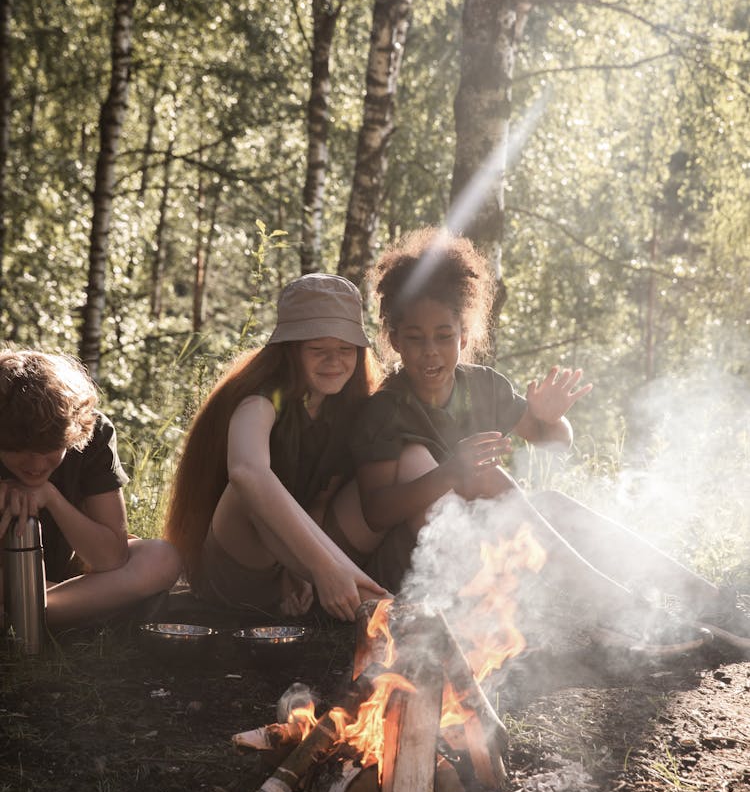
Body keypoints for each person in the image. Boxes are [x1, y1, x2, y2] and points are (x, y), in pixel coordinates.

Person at [351, 227, 750, 658]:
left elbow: (553, 442)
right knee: (488, 480)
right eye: (415, 338)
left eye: (443, 336)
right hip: (423, 565)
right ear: (394, 340)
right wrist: (450, 471)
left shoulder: (482, 385)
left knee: (554, 503)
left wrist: (550, 419)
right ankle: (621, 612)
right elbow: (376, 512)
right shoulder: (385, 409)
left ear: (463, 336)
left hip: (491, 546)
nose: (431, 351)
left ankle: (710, 601)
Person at [164, 274, 388, 622]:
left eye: (346, 350)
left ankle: (376, 601)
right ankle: (366, 601)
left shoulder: (347, 407)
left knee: (382, 477)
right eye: (318, 350)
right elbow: (246, 472)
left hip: (300, 560)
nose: (334, 361)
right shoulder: (260, 400)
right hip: (239, 565)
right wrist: (323, 568)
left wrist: (300, 572)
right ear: (291, 350)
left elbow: (320, 500)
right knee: (249, 488)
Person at [0, 347, 181, 631]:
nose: (34, 465)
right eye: (16, 450)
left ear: (72, 434)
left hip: (70, 579)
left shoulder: (92, 434)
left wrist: (51, 497)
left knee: (161, 557)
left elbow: (111, 557)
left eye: (49, 449)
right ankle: (71, 611)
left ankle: (32, 612)